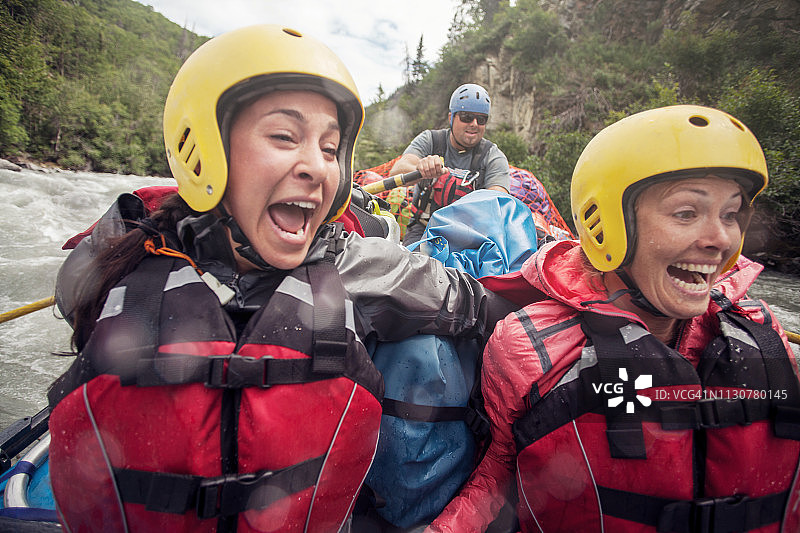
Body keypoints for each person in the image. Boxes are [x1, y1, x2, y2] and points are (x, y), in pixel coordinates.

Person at [45, 24, 517, 532]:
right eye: (284, 137)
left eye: (331, 149)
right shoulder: (125, 253)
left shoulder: (357, 263)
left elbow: (473, 301)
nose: (315, 166)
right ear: (203, 145)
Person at [427, 105, 800, 532]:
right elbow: (498, 473)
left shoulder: (760, 327)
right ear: (605, 224)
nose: (721, 239)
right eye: (686, 213)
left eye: (730, 214)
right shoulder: (528, 347)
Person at [389, 83, 510, 245]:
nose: (474, 124)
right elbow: (397, 171)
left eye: (481, 119)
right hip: (423, 229)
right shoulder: (430, 140)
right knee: (412, 267)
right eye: (466, 117)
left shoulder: (493, 155)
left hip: (471, 236)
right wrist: (420, 168)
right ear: (451, 118)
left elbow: (499, 199)